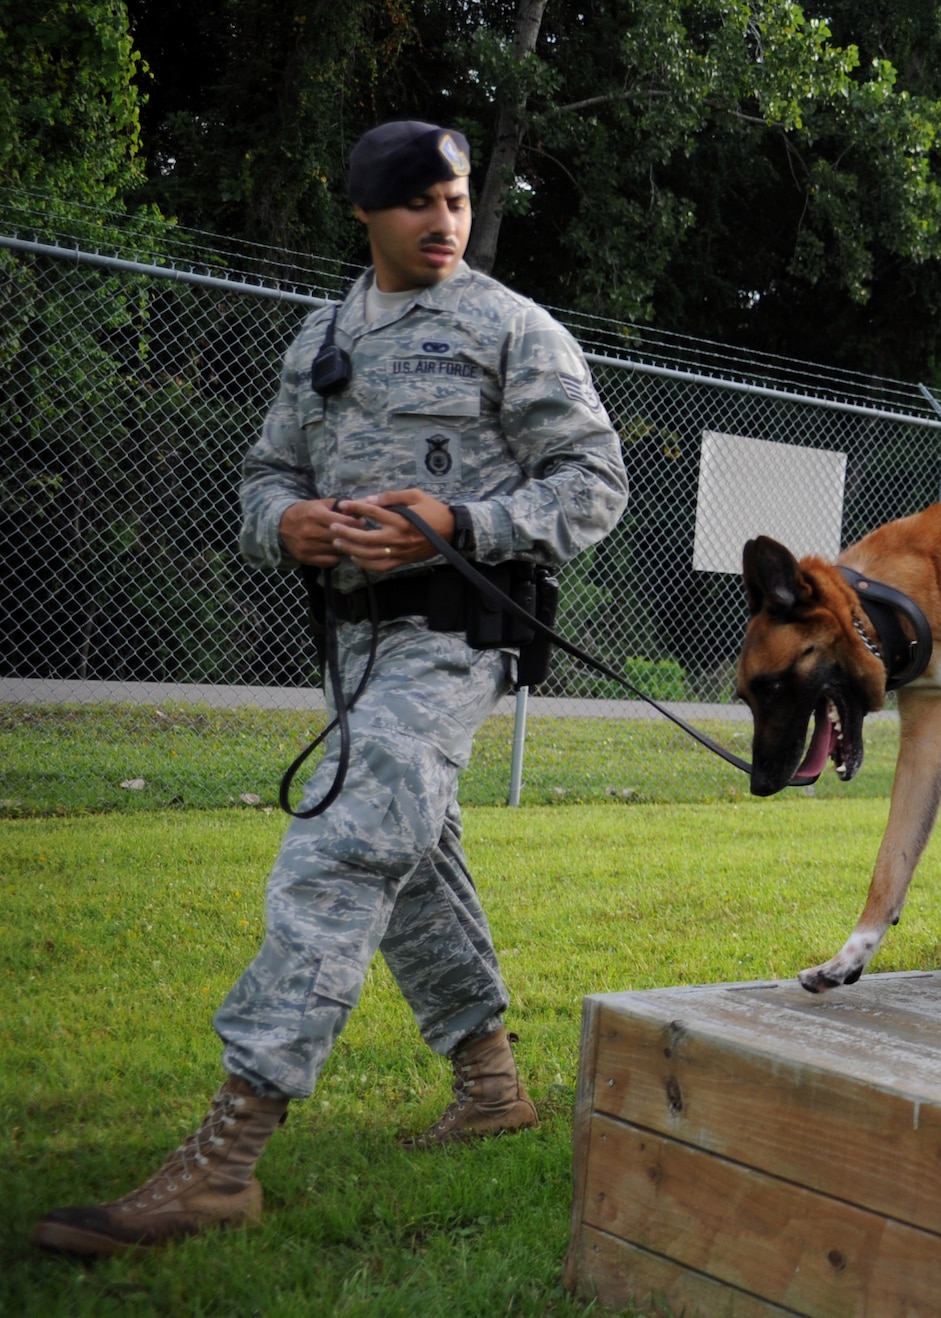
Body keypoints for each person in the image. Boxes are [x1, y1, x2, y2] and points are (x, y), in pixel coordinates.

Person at [32, 121, 629, 1257]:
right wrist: (286, 524)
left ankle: (227, 1156)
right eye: (417, 203)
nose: (442, 221)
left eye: (453, 200)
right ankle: (493, 1086)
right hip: (349, 645)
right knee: (410, 863)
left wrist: (465, 522)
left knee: (342, 847)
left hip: (454, 636)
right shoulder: (319, 340)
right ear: (364, 212)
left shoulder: (512, 328)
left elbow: (595, 483)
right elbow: (264, 475)